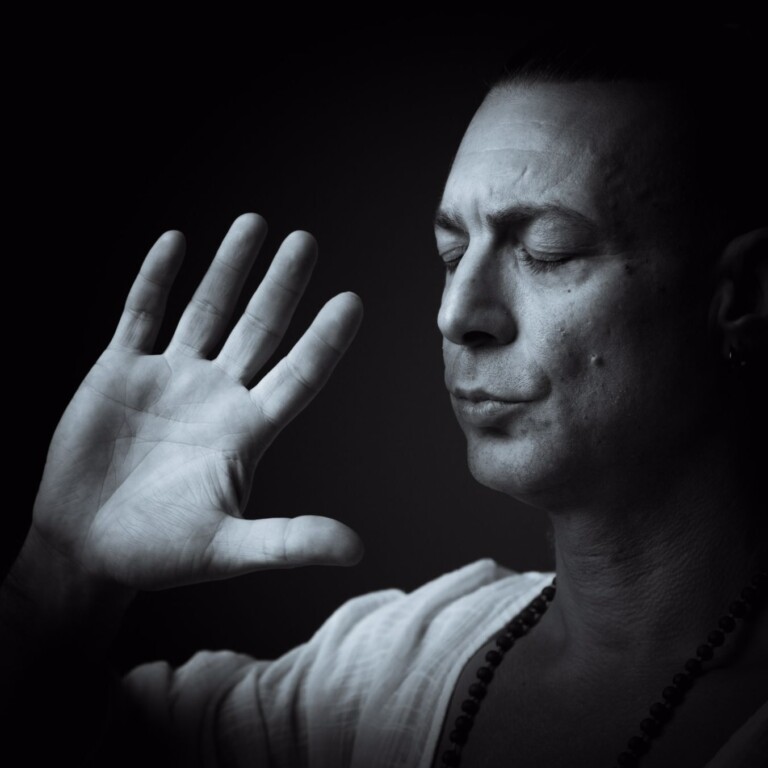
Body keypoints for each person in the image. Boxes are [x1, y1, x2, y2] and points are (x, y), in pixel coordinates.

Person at [2, 26, 766, 768]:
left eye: (546, 252)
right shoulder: (386, 672)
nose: (457, 313)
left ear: (743, 294)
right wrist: (58, 578)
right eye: (451, 252)